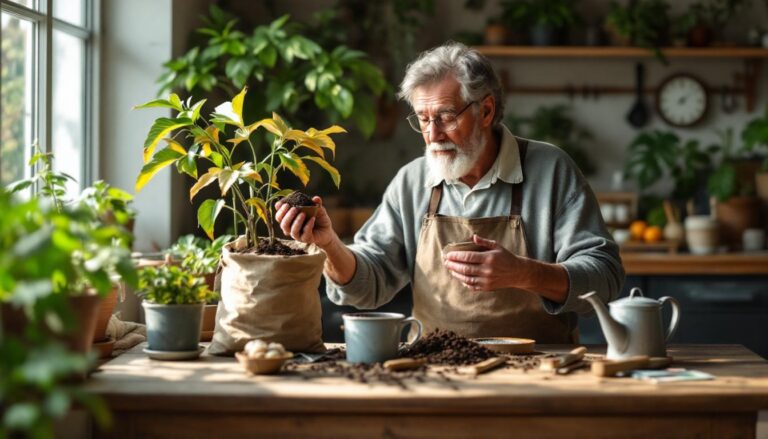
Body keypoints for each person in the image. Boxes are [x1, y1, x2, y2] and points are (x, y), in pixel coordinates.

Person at [275, 42, 624, 343]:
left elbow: (605, 278)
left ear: (485, 110)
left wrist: (524, 273)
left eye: (445, 117)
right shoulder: (412, 181)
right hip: (434, 368)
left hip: (541, 369)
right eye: (423, 120)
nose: (432, 134)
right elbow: (367, 287)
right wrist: (329, 245)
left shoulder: (551, 170)